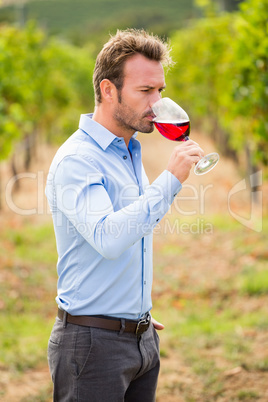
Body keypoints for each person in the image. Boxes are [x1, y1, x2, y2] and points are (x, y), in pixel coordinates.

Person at [46, 28, 204, 402]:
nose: (157, 103)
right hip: (93, 347)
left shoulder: (128, 150)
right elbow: (109, 238)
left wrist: (135, 313)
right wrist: (171, 179)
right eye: (145, 91)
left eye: (160, 91)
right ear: (108, 90)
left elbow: (132, 230)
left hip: (140, 337)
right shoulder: (78, 160)